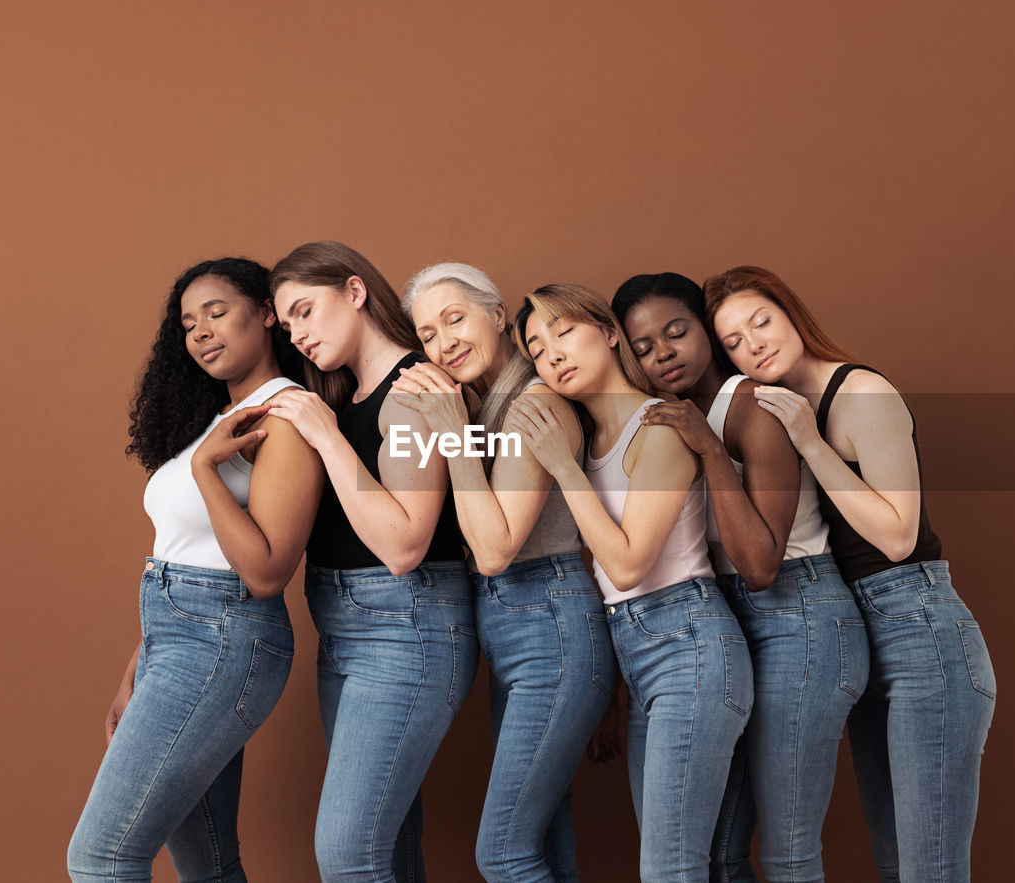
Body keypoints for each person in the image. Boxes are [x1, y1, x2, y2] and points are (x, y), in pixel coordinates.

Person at [703, 265, 996, 883]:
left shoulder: (859, 392)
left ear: (792, 315)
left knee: (930, 867)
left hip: (920, 628)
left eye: (762, 321)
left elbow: (898, 535)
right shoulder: (767, 408)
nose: (754, 343)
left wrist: (811, 441)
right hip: (856, 629)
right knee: (893, 861)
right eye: (733, 340)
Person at [67, 257, 323, 882]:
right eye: (188, 323)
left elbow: (265, 575)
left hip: (224, 642)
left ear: (266, 313)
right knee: (207, 866)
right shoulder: (215, 422)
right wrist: (139, 667)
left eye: (217, 312)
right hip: (173, 640)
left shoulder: (286, 416)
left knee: (100, 859)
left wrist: (208, 471)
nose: (202, 331)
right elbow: (180, 551)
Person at [613, 272, 868, 882]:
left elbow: (759, 565)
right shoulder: (661, 417)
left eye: (676, 332)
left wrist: (708, 451)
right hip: (726, 629)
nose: (663, 353)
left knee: (787, 850)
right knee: (721, 853)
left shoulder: (753, 407)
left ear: (705, 328)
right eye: (644, 347)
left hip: (801, 619)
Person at [509, 283, 751, 882]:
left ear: (610, 333)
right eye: (537, 349)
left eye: (564, 332)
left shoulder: (659, 428)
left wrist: (562, 467)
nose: (553, 355)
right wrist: (613, 700)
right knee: (686, 863)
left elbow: (626, 565)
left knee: (672, 867)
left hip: (690, 645)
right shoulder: (591, 442)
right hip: (641, 652)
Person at [393, 263, 617, 882]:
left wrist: (454, 436)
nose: (444, 342)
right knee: (544, 836)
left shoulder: (534, 404)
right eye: (429, 334)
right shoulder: (484, 404)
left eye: (455, 318)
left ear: (498, 317)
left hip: (549, 620)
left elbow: (494, 551)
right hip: (519, 630)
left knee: (506, 852)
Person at [267, 241, 479, 883]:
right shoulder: (346, 393)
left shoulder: (415, 390)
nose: (298, 334)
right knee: (386, 849)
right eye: (288, 324)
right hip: (344, 632)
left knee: (349, 854)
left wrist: (326, 435)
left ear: (354, 292)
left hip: (406, 630)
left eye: (306, 311)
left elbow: (404, 543)